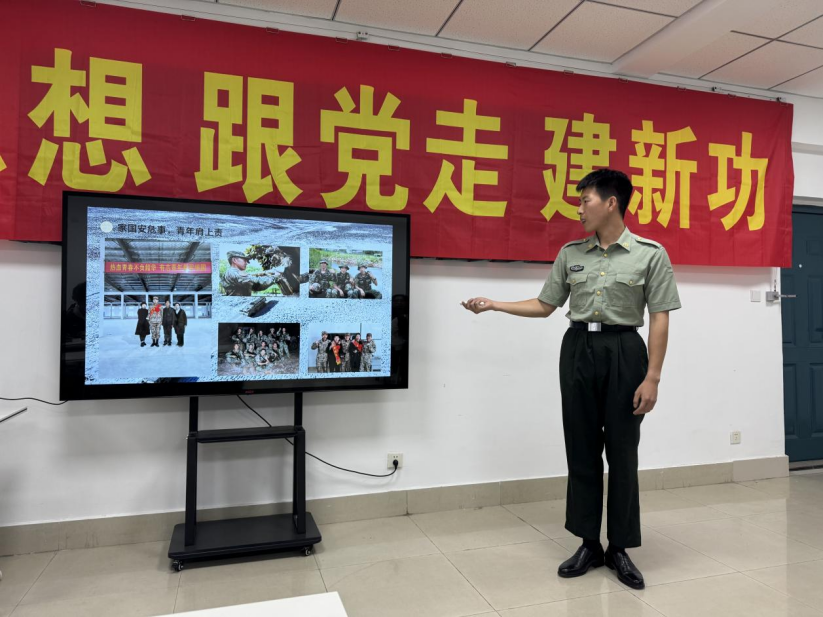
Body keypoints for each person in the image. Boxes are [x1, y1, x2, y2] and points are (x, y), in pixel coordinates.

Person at [461, 169, 681, 590]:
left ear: (611, 203)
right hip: (578, 349)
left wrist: (652, 377)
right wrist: (495, 305)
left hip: (625, 351)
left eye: (585, 200)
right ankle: (588, 543)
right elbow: (545, 305)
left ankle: (620, 546)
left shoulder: (650, 254)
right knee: (581, 448)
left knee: (622, 452)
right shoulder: (571, 253)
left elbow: (660, 318)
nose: (578, 209)